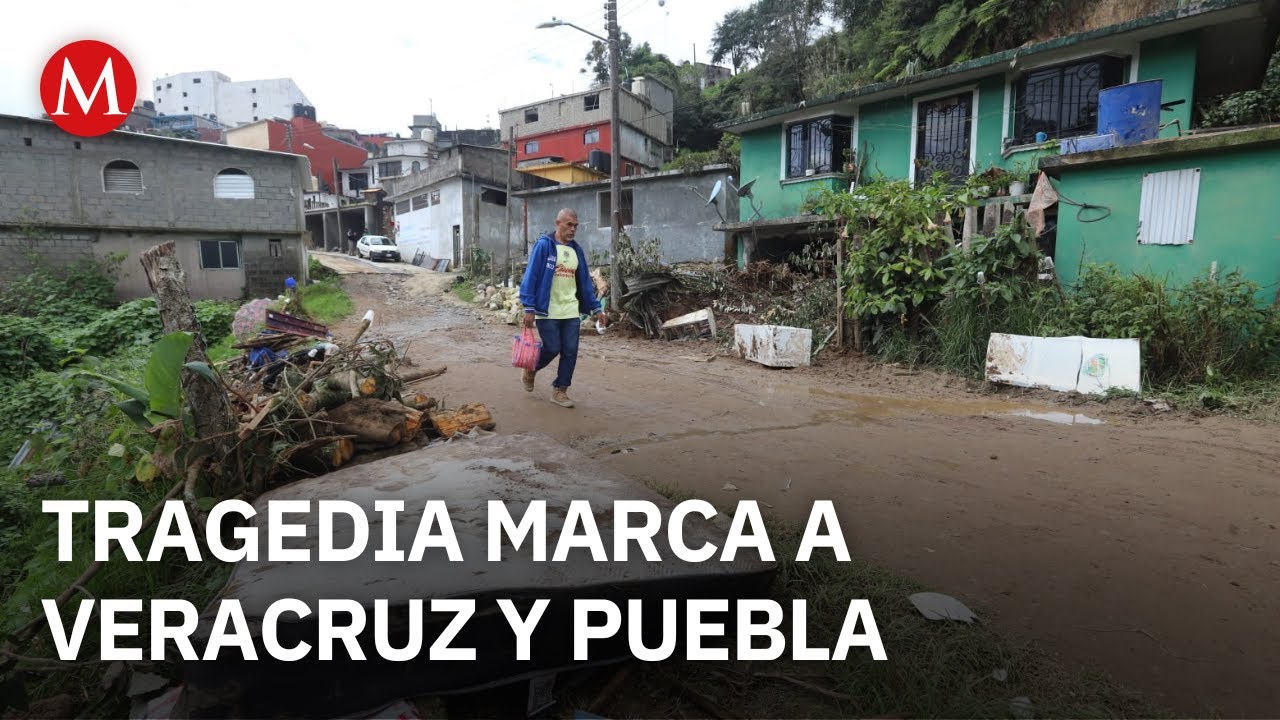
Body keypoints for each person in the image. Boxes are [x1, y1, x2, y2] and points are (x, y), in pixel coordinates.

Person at [518, 208, 608, 408]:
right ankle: (531, 369)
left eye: (576, 225)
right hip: (546, 309)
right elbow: (530, 276)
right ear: (557, 223)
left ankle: (560, 390)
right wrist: (529, 307)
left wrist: (596, 308)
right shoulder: (544, 246)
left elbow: (584, 282)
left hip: (570, 310)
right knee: (552, 347)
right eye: (569, 224)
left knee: (570, 350)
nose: (573, 229)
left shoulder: (576, 250)